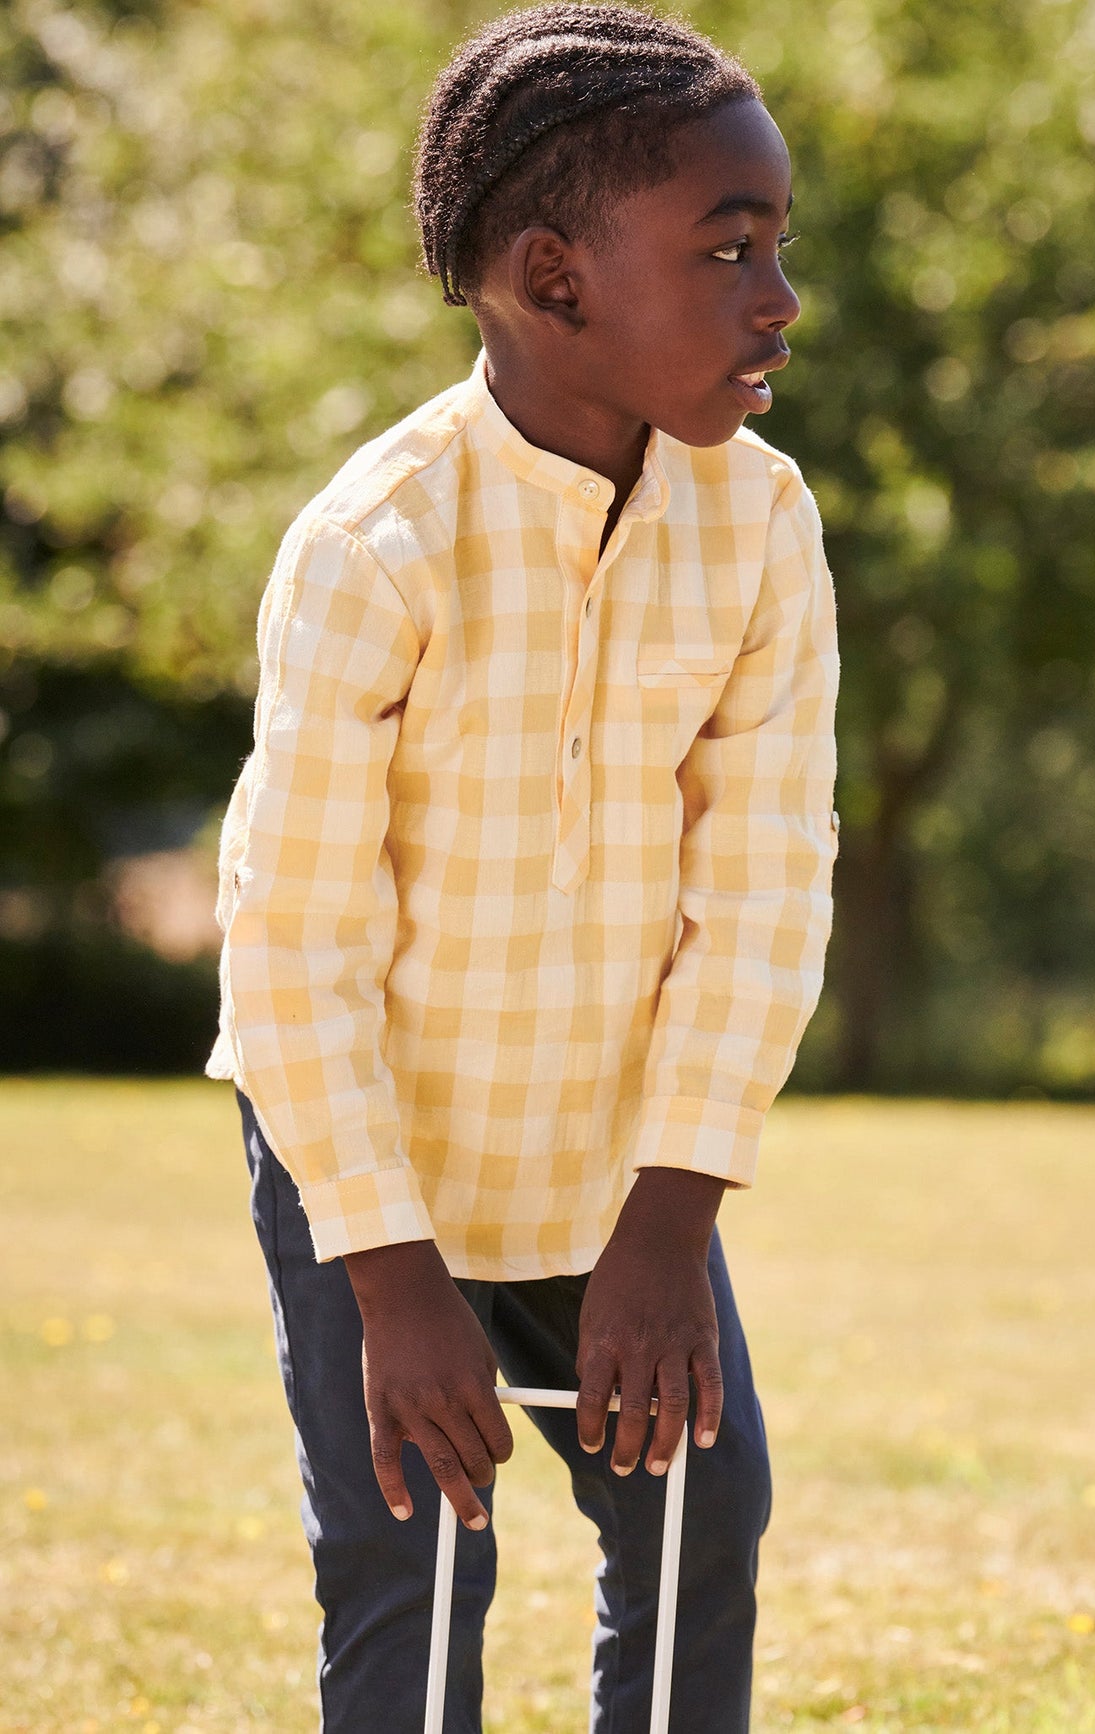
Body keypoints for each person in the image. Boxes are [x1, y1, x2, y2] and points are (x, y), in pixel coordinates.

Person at [206, 5, 840, 1729]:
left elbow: (767, 891)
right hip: (371, 1158)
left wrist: (674, 1214)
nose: (777, 297)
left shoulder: (766, 527)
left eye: (779, 245)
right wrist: (393, 1277)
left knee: (708, 1520)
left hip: (620, 1170)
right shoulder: (371, 546)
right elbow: (291, 941)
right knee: (416, 1565)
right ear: (555, 283)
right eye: (729, 249)